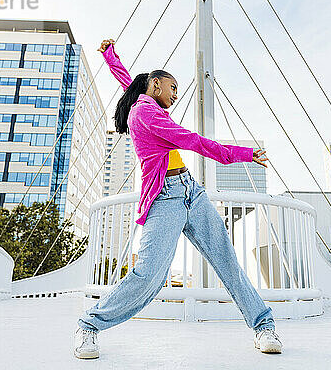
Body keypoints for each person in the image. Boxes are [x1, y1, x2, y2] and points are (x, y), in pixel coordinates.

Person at [74, 39, 282, 359]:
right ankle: (89, 326)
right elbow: (192, 141)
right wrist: (242, 154)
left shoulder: (143, 102)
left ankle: (263, 325)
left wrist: (109, 54)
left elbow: (125, 79)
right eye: (172, 87)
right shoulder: (146, 113)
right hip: (165, 199)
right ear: (154, 84)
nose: (175, 95)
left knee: (227, 261)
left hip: (191, 192)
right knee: (148, 274)